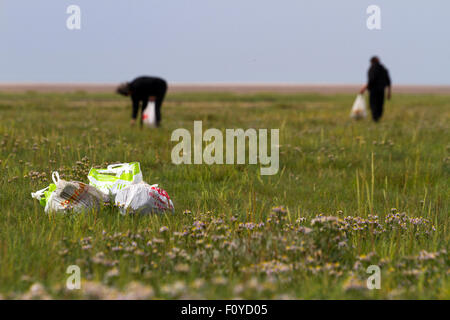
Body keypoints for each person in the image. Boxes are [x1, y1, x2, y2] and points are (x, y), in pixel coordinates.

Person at [359, 56, 391, 122]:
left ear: (372, 62)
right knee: (380, 105)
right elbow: (388, 81)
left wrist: (364, 88)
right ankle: (377, 118)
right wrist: (389, 92)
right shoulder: (383, 69)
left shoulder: (372, 69)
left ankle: (375, 119)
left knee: (373, 105)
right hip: (381, 90)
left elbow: (371, 80)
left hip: (373, 91)